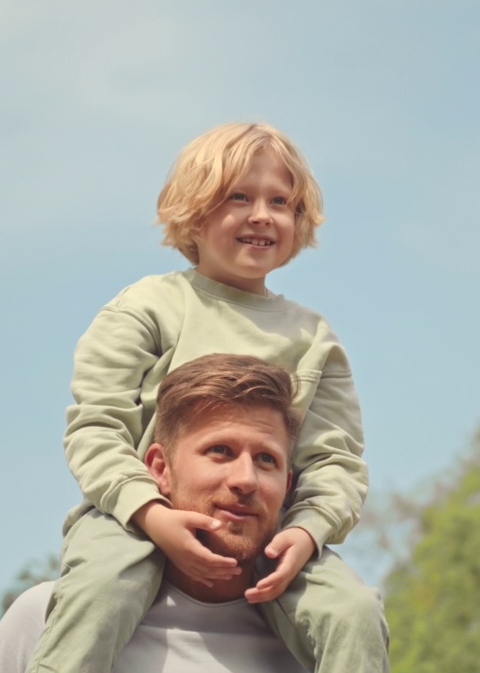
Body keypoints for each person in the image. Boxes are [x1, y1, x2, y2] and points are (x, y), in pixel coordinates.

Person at [27, 123, 388, 673]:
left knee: (355, 613)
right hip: (134, 518)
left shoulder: (314, 339)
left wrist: (307, 529)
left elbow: (335, 461)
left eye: (280, 201)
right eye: (238, 197)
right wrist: (149, 512)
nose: (262, 214)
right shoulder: (147, 307)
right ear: (194, 213)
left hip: (269, 533)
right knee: (98, 591)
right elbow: (97, 428)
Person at [0, 354, 314, 672]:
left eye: (266, 459)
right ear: (160, 469)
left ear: (286, 485)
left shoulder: (320, 649)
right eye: (220, 451)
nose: (246, 480)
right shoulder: (49, 618)